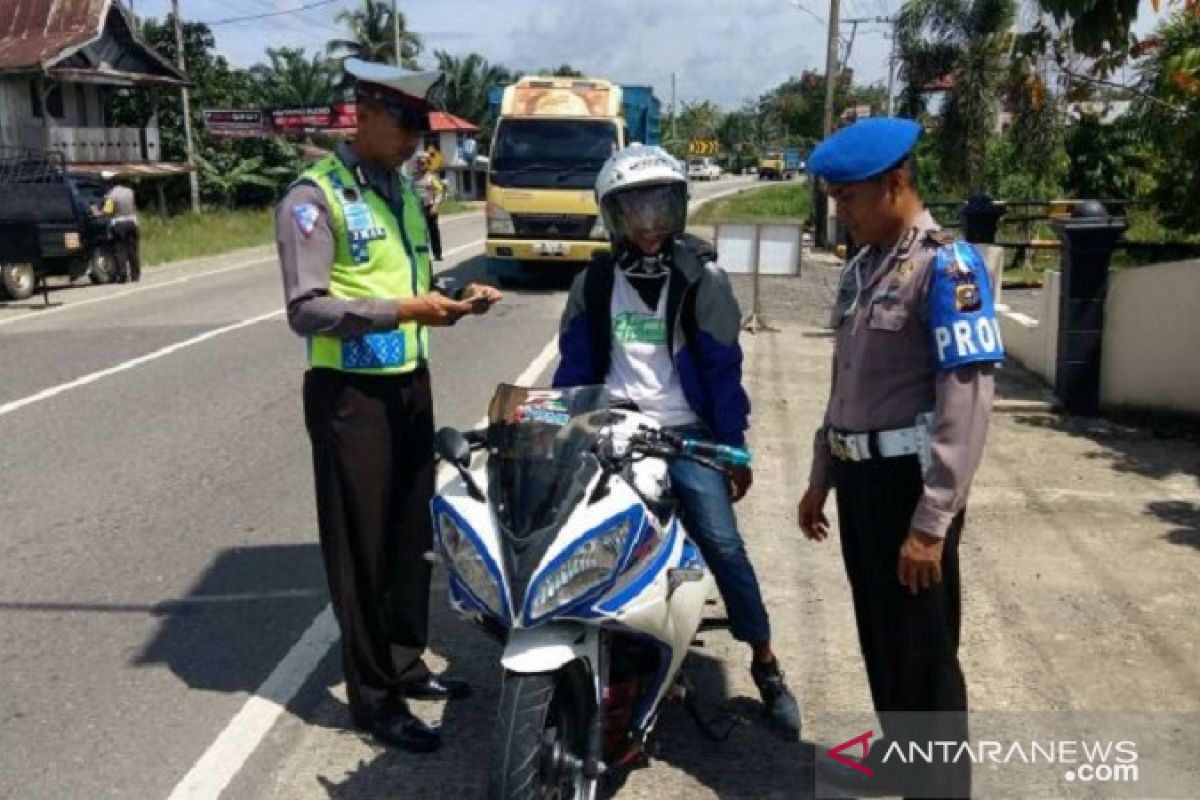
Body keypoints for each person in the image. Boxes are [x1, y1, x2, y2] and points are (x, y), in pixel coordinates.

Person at [275, 58, 502, 753]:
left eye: (419, 128)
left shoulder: (400, 192)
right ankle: (373, 699)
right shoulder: (313, 199)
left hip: (408, 380)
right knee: (362, 551)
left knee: (409, 536)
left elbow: (412, 275)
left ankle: (405, 663)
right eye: (404, 126)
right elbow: (307, 310)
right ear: (363, 115)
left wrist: (453, 301)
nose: (414, 141)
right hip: (350, 396)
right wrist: (404, 308)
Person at [553, 144, 802, 741]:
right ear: (613, 215)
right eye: (633, 210)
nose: (647, 224)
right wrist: (560, 427)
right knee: (569, 533)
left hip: (687, 432)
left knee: (722, 541)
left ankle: (765, 663)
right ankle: (578, 653)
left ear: (678, 208)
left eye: (660, 207)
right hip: (613, 425)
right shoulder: (593, 284)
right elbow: (574, 372)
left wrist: (732, 448)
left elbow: (723, 372)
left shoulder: (704, 280)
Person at [797, 118, 1005, 797]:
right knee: (880, 636)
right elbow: (846, 380)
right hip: (859, 479)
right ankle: (902, 756)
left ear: (894, 185)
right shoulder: (863, 267)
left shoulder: (949, 269)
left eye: (848, 198)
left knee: (924, 652)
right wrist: (820, 476)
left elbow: (965, 400)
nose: (840, 212)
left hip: (909, 487)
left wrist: (931, 521)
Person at [101, 171, 140, 283]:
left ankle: (123, 275)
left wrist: (99, 212)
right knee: (133, 250)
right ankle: (135, 275)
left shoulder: (111, 195)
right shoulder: (130, 192)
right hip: (132, 222)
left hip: (119, 223)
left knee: (120, 250)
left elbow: (108, 211)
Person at [411, 152, 444, 261]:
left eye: (423, 163)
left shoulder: (431, 177)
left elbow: (439, 191)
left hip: (429, 207)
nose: (420, 165)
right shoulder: (413, 178)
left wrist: (435, 205)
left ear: (427, 164)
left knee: (433, 231)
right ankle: (422, 254)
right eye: (419, 163)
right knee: (420, 232)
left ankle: (437, 254)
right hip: (416, 208)